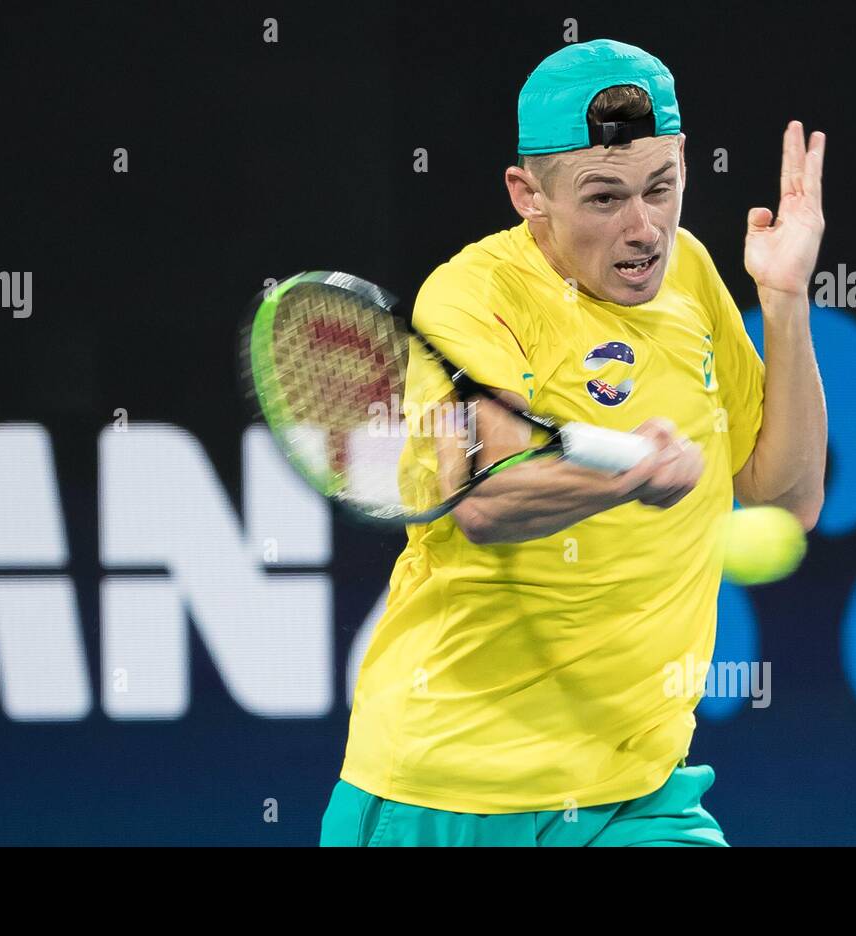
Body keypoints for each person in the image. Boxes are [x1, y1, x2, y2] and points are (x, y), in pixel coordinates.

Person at [321, 38, 827, 846]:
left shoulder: (691, 274)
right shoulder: (471, 298)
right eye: (604, 199)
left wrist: (785, 297)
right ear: (529, 194)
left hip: (636, 791)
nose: (644, 229)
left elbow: (788, 496)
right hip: (450, 790)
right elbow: (483, 502)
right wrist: (626, 484)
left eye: (662, 188)